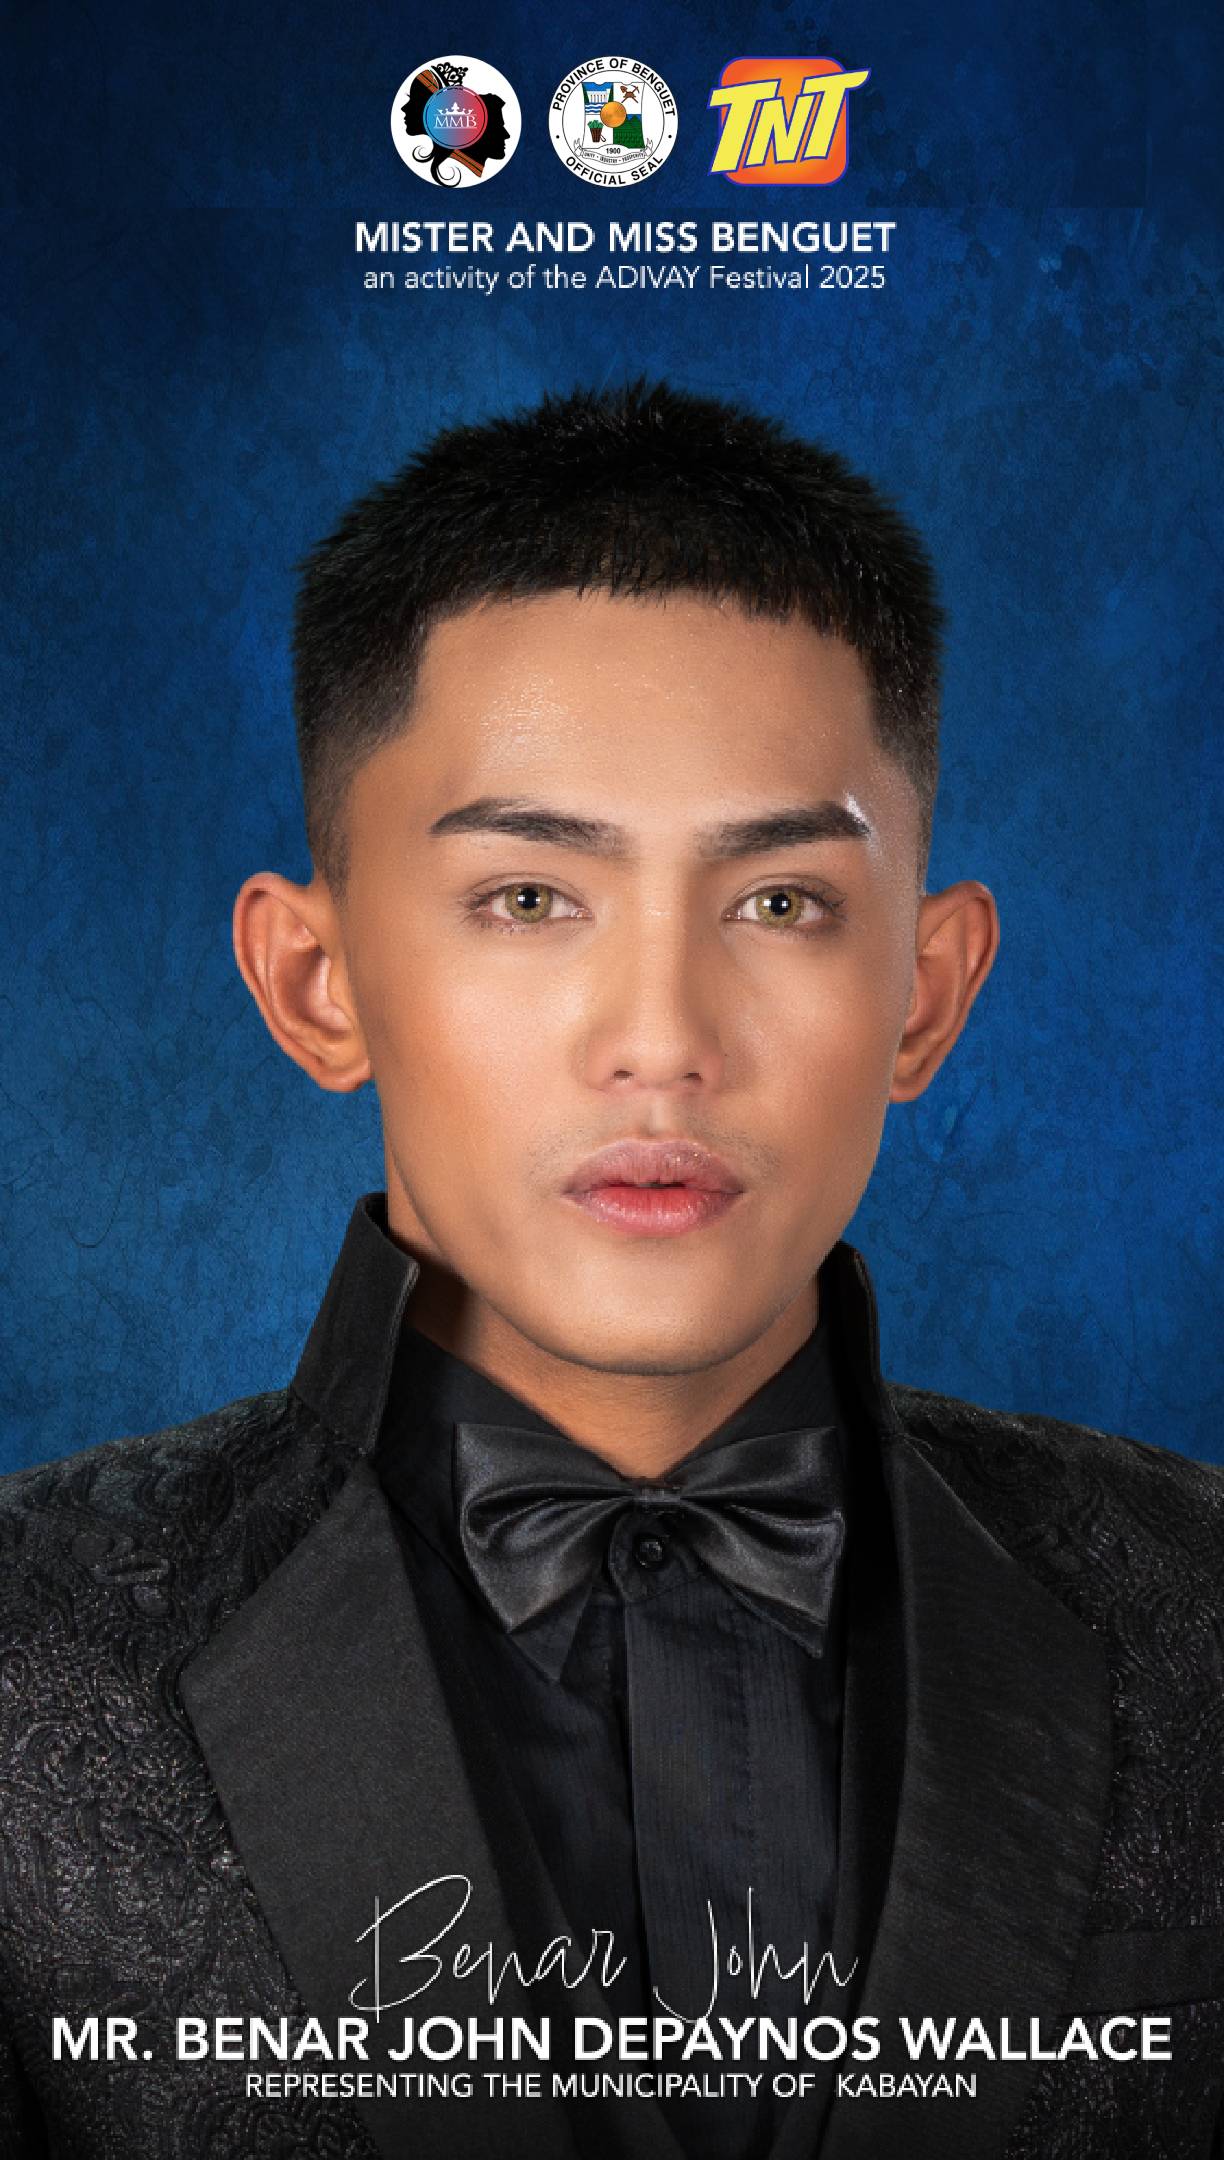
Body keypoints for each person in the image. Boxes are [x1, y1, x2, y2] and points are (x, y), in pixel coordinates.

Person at [0, 381, 1220, 2160]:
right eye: (528, 898)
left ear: (928, 992)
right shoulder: (24, 1655)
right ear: (317, 984)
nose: (661, 1040)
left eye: (781, 901)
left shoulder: (1202, 1606)